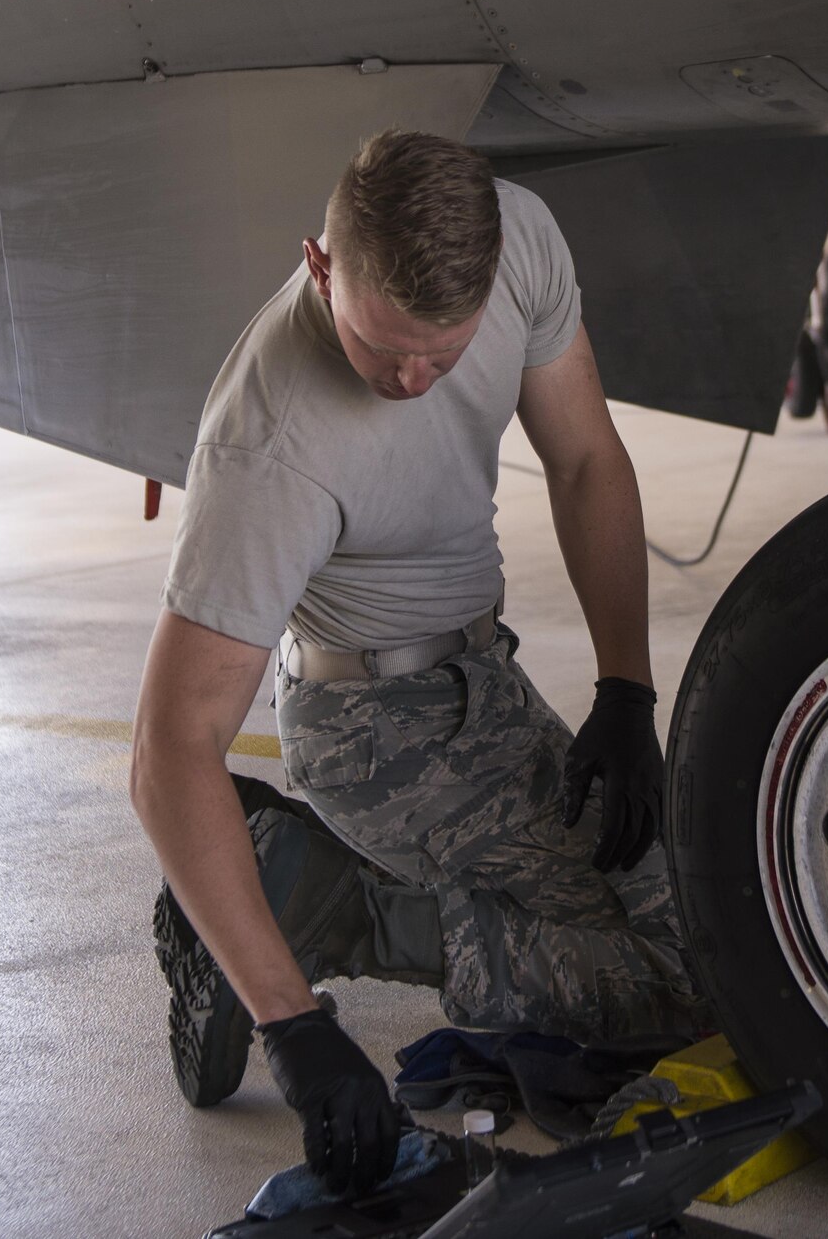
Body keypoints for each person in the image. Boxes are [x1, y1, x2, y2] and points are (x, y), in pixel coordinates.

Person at [129, 129, 709, 1199]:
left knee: (708, 913)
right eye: (378, 344)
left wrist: (625, 691)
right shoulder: (270, 443)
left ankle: (322, 889)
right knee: (672, 983)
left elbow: (584, 461)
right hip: (368, 722)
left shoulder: (519, 241)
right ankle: (315, 902)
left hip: (483, 678)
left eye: (441, 354)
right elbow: (169, 748)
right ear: (319, 266)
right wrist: (293, 1026)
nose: (407, 378)